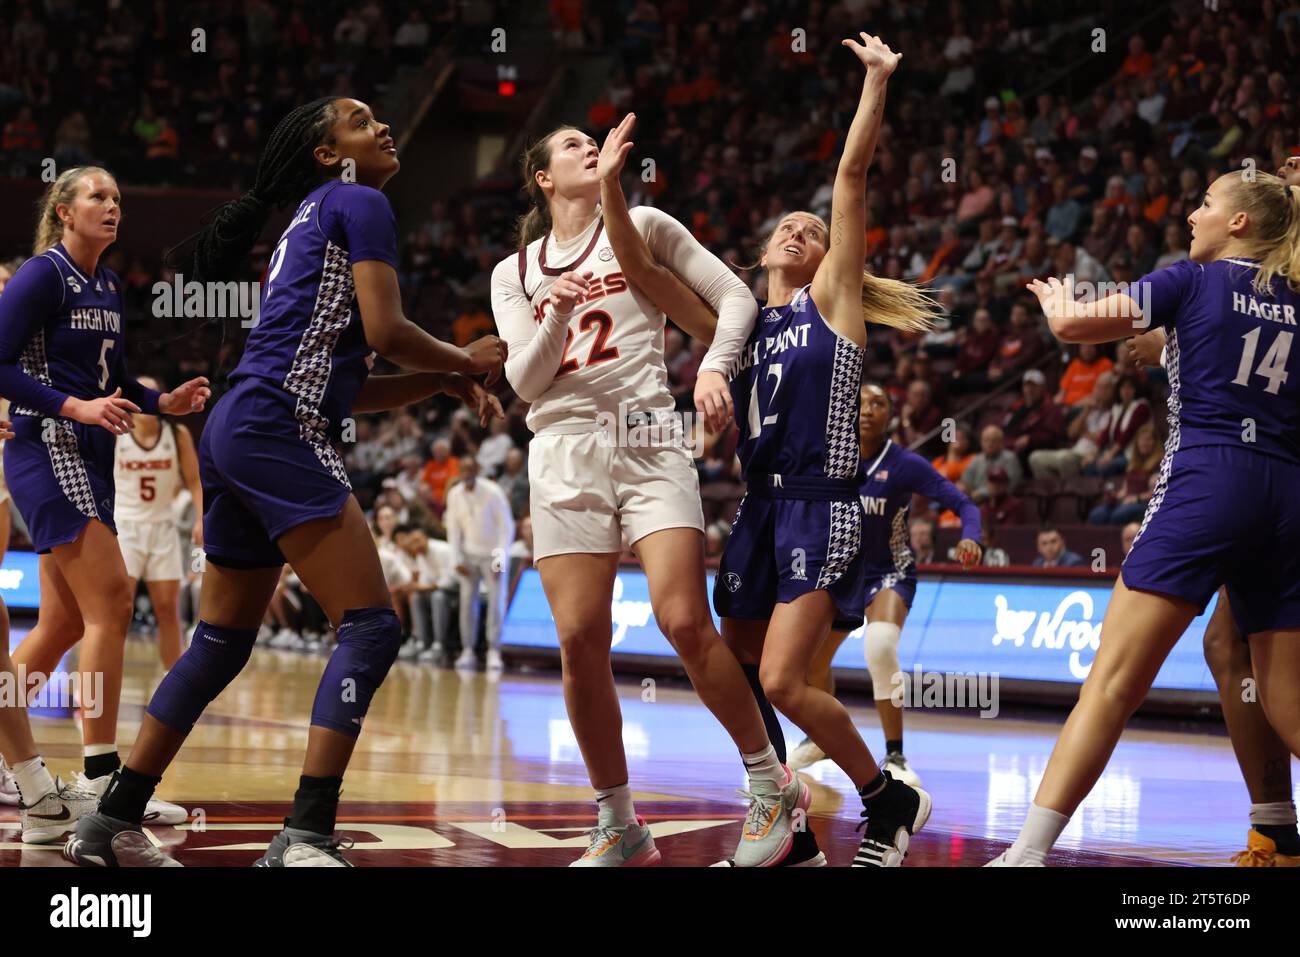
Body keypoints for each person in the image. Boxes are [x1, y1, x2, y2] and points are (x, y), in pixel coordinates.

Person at [67, 96, 506, 868]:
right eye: (362, 120)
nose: (383, 126)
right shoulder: (360, 201)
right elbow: (387, 332)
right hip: (277, 427)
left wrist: (435, 382)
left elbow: (350, 385)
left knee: (218, 643)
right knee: (371, 626)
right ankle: (304, 834)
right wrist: (464, 357)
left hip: (238, 424)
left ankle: (109, 821)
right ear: (326, 151)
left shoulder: (306, 219)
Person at [599, 35, 938, 868]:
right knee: (739, 670)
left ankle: (889, 798)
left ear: (830, 260)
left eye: (814, 229)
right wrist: (611, 188)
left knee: (786, 680)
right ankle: (789, 829)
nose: (802, 228)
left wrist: (875, 82)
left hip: (821, 503)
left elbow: (851, 178)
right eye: (788, 225)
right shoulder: (735, 325)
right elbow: (644, 269)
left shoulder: (833, 302)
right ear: (760, 254)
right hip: (758, 509)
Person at [490, 112, 797, 867]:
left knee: (684, 619)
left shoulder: (646, 222)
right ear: (543, 177)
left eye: (594, 143)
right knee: (577, 641)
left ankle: (769, 781)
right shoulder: (515, 271)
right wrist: (555, 311)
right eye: (571, 145)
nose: (588, 148)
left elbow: (738, 299)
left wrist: (717, 367)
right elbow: (523, 383)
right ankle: (620, 823)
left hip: (650, 434)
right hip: (562, 448)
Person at [989, 169, 1300, 866]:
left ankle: (1028, 854)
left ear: (1240, 223)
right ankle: (1278, 833)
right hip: (1287, 494)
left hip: (1210, 480)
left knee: (1113, 680)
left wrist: (1061, 299)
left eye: (1206, 204)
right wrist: (1172, 349)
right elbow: (1247, 361)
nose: (1192, 214)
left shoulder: (1188, 281)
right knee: (1286, 696)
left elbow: (1074, 327)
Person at [0, 166, 209, 834]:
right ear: (64, 210)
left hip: (91, 452)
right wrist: (72, 405)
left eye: (118, 197)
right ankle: (103, 777)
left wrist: (161, 402)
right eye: (97, 196)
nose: (112, 206)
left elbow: (114, 380)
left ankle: (14, 755)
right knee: (113, 599)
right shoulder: (42, 274)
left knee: (61, 625)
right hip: (47, 447)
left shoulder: (111, 285)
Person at [787, 383, 982, 785]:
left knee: (880, 646)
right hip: (841, 573)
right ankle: (820, 737)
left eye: (879, 404)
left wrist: (971, 536)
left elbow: (964, 503)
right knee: (810, 664)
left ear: (890, 415)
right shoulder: (827, 457)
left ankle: (895, 755)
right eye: (861, 402)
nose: (868, 410)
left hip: (890, 572)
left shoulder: (905, 463)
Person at [113, 374, 204, 669]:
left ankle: (172, 683)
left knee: (168, 610)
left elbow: (195, 482)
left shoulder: (177, 435)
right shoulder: (115, 432)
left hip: (163, 527)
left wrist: (202, 519)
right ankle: (101, 674)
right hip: (125, 527)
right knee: (117, 610)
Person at [443, 455, 514, 672]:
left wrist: (500, 560)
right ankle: (468, 650)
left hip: (493, 554)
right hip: (469, 554)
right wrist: (456, 560)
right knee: (467, 602)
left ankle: (494, 650)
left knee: (496, 600)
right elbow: (453, 529)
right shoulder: (454, 494)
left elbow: (506, 528)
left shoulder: (493, 491)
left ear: (477, 469)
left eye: (470, 468)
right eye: (462, 469)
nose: (466, 473)